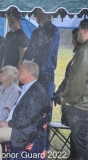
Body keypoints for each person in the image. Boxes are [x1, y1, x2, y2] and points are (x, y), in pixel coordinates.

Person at [0, 61, 48, 160]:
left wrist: (10, 123)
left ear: (29, 74)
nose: (18, 72)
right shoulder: (26, 88)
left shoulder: (38, 93)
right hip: (14, 124)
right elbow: (16, 110)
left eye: (21, 70)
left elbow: (29, 118)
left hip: (23, 130)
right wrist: (7, 120)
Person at [22, 8, 60, 148]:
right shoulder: (36, 31)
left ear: (47, 14)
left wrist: (35, 66)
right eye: (36, 13)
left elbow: (46, 53)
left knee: (44, 109)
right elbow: (30, 50)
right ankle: (32, 139)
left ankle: (44, 142)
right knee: (32, 108)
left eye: (39, 13)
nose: (36, 16)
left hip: (45, 75)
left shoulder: (53, 31)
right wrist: (25, 62)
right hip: (33, 75)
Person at [62, 19, 88, 160]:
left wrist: (70, 101)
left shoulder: (84, 51)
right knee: (79, 144)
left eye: (79, 29)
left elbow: (78, 80)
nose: (77, 33)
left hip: (81, 106)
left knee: (81, 146)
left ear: (85, 31)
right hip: (83, 104)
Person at [52, 28, 80, 160]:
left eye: (74, 39)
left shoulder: (81, 57)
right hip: (72, 105)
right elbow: (67, 79)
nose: (72, 41)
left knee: (79, 138)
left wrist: (64, 96)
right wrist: (58, 93)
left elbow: (73, 81)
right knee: (75, 136)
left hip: (77, 106)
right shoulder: (77, 55)